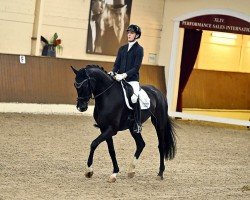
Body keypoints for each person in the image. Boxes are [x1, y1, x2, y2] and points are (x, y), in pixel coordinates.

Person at [108, 24, 143, 133]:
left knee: (134, 98)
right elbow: (117, 64)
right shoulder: (122, 49)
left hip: (132, 80)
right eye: (128, 32)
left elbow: (136, 67)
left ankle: (137, 123)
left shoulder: (139, 49)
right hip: (120, 78)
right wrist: (113, 72)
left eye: (131, 33)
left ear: (136, 35)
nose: (129, 34)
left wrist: (124, 75)